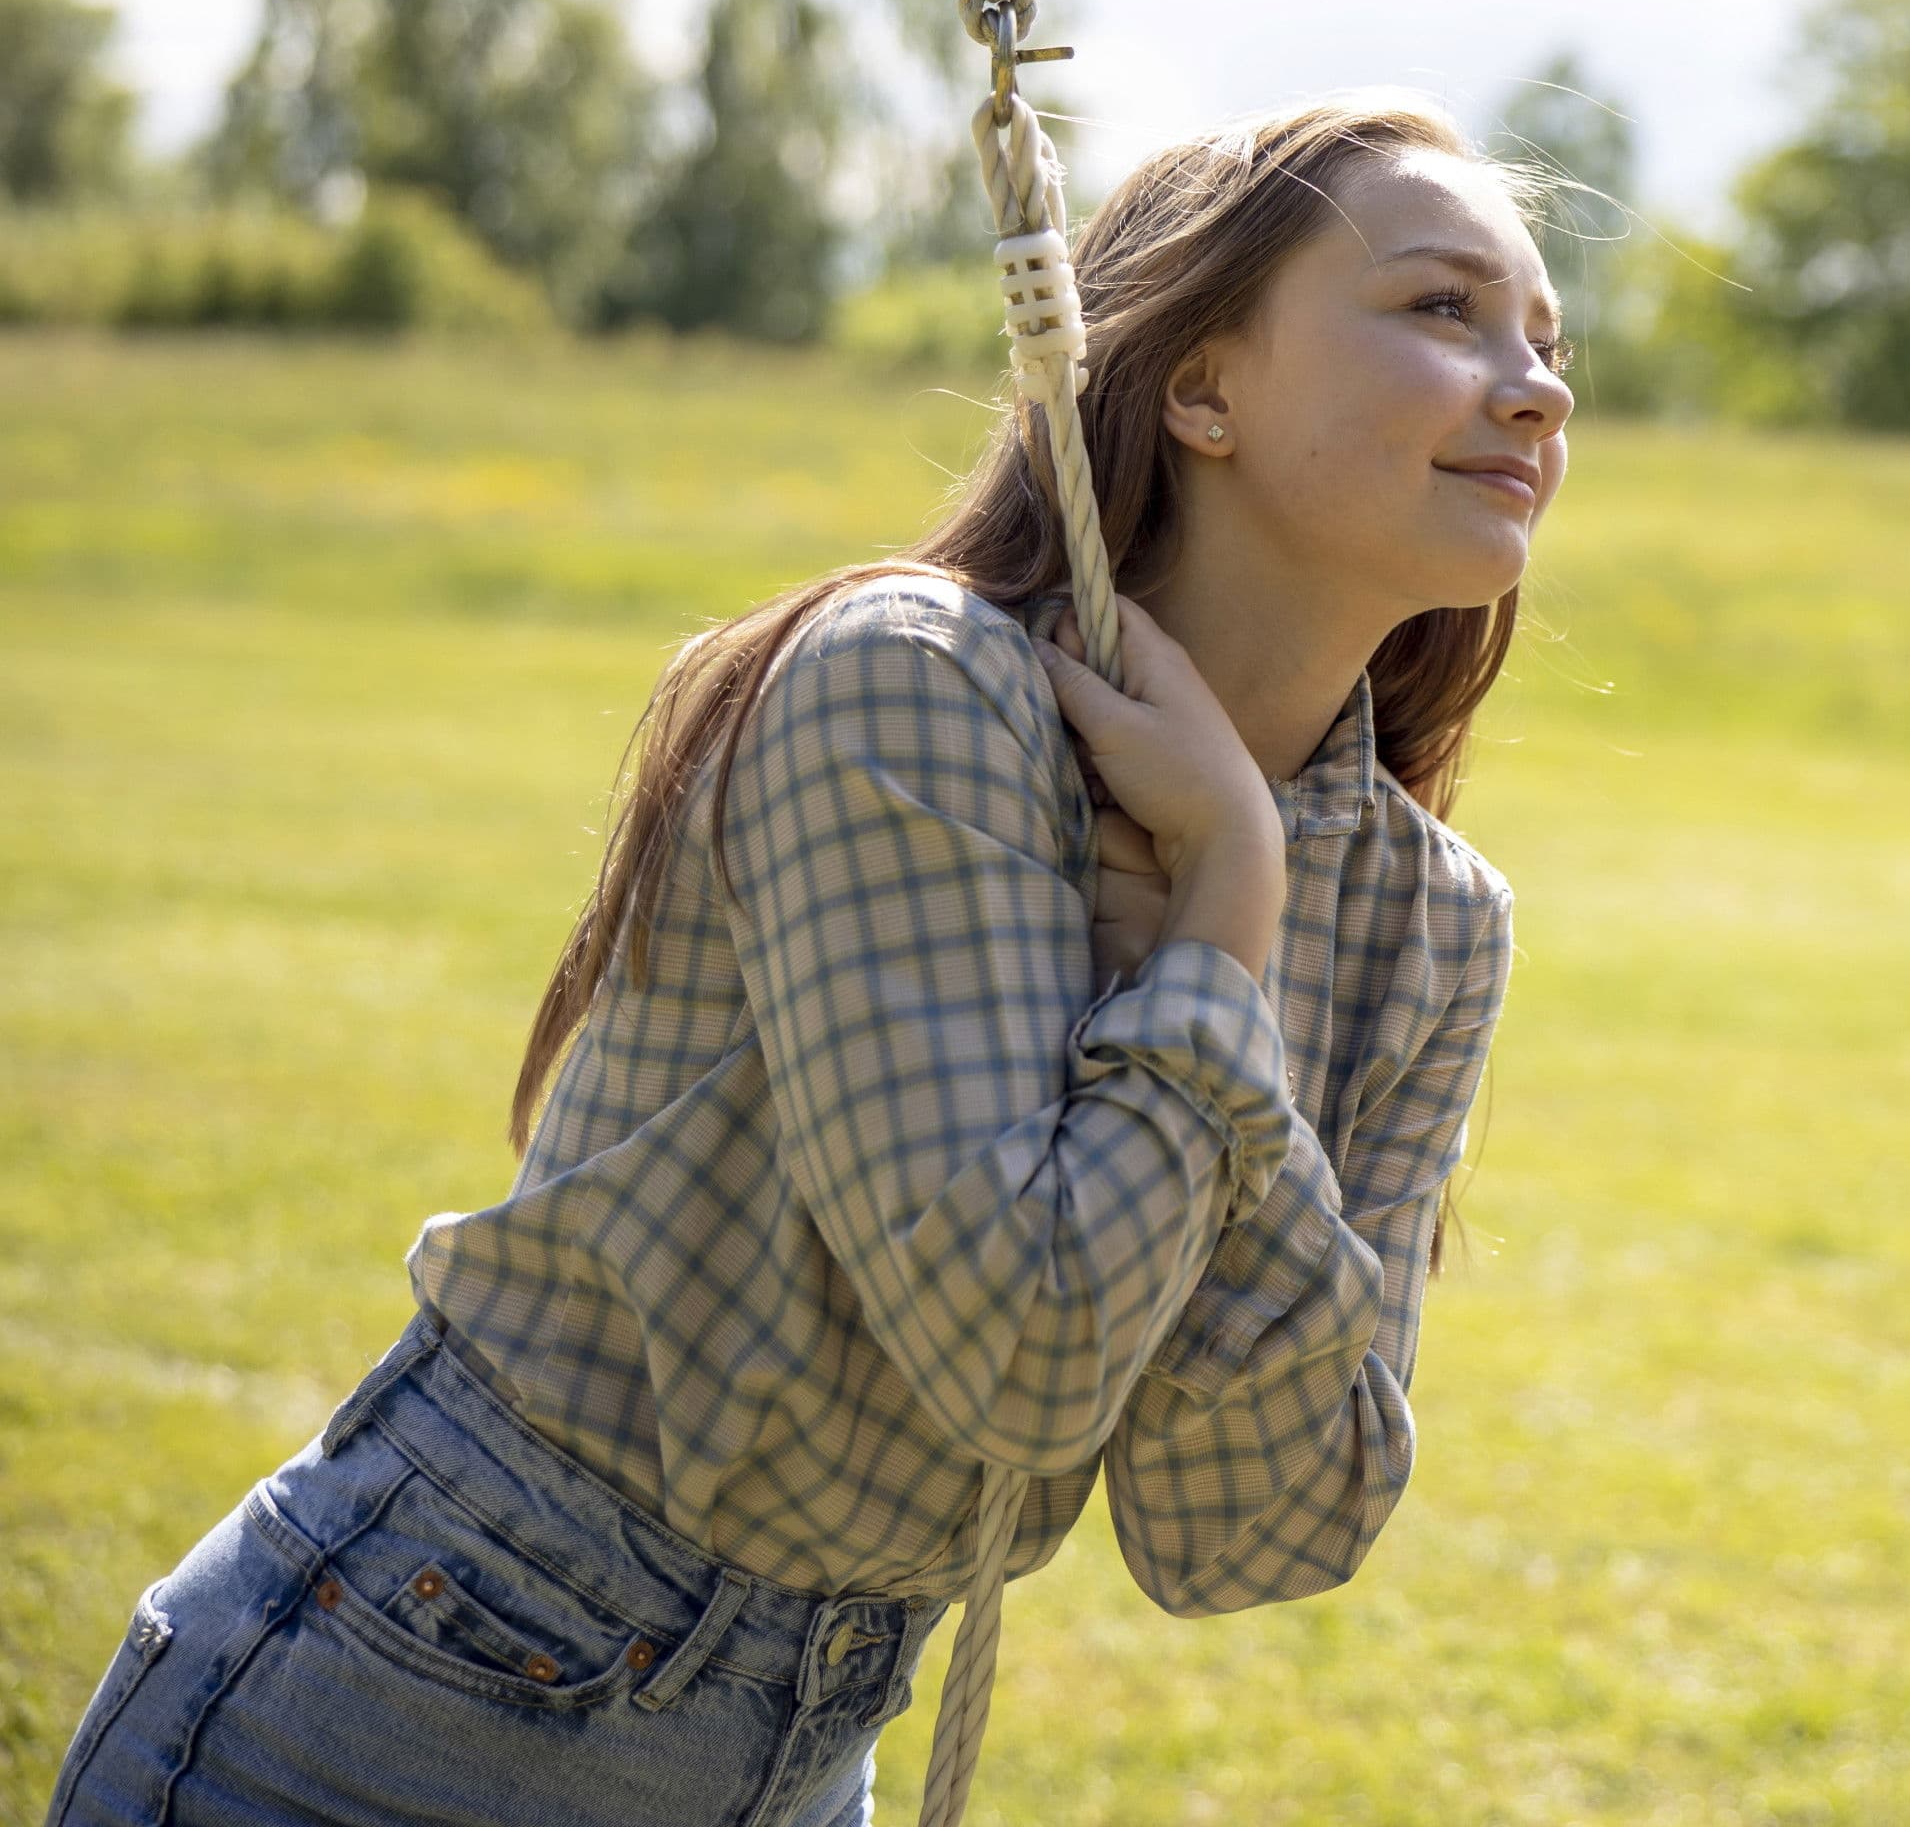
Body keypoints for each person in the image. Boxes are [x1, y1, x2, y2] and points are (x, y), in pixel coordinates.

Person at [48, 92, 1567, 1827]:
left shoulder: (1433, 921)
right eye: (1443, 310)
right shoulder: (910, 689)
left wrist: (1234, 955)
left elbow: (1260, 1534)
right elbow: (1024, 1366)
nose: (1535, 385)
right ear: (1203, 386)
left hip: (800, 1750)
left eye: (1546, 337)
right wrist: (1224, 906)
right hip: (416, 1702)